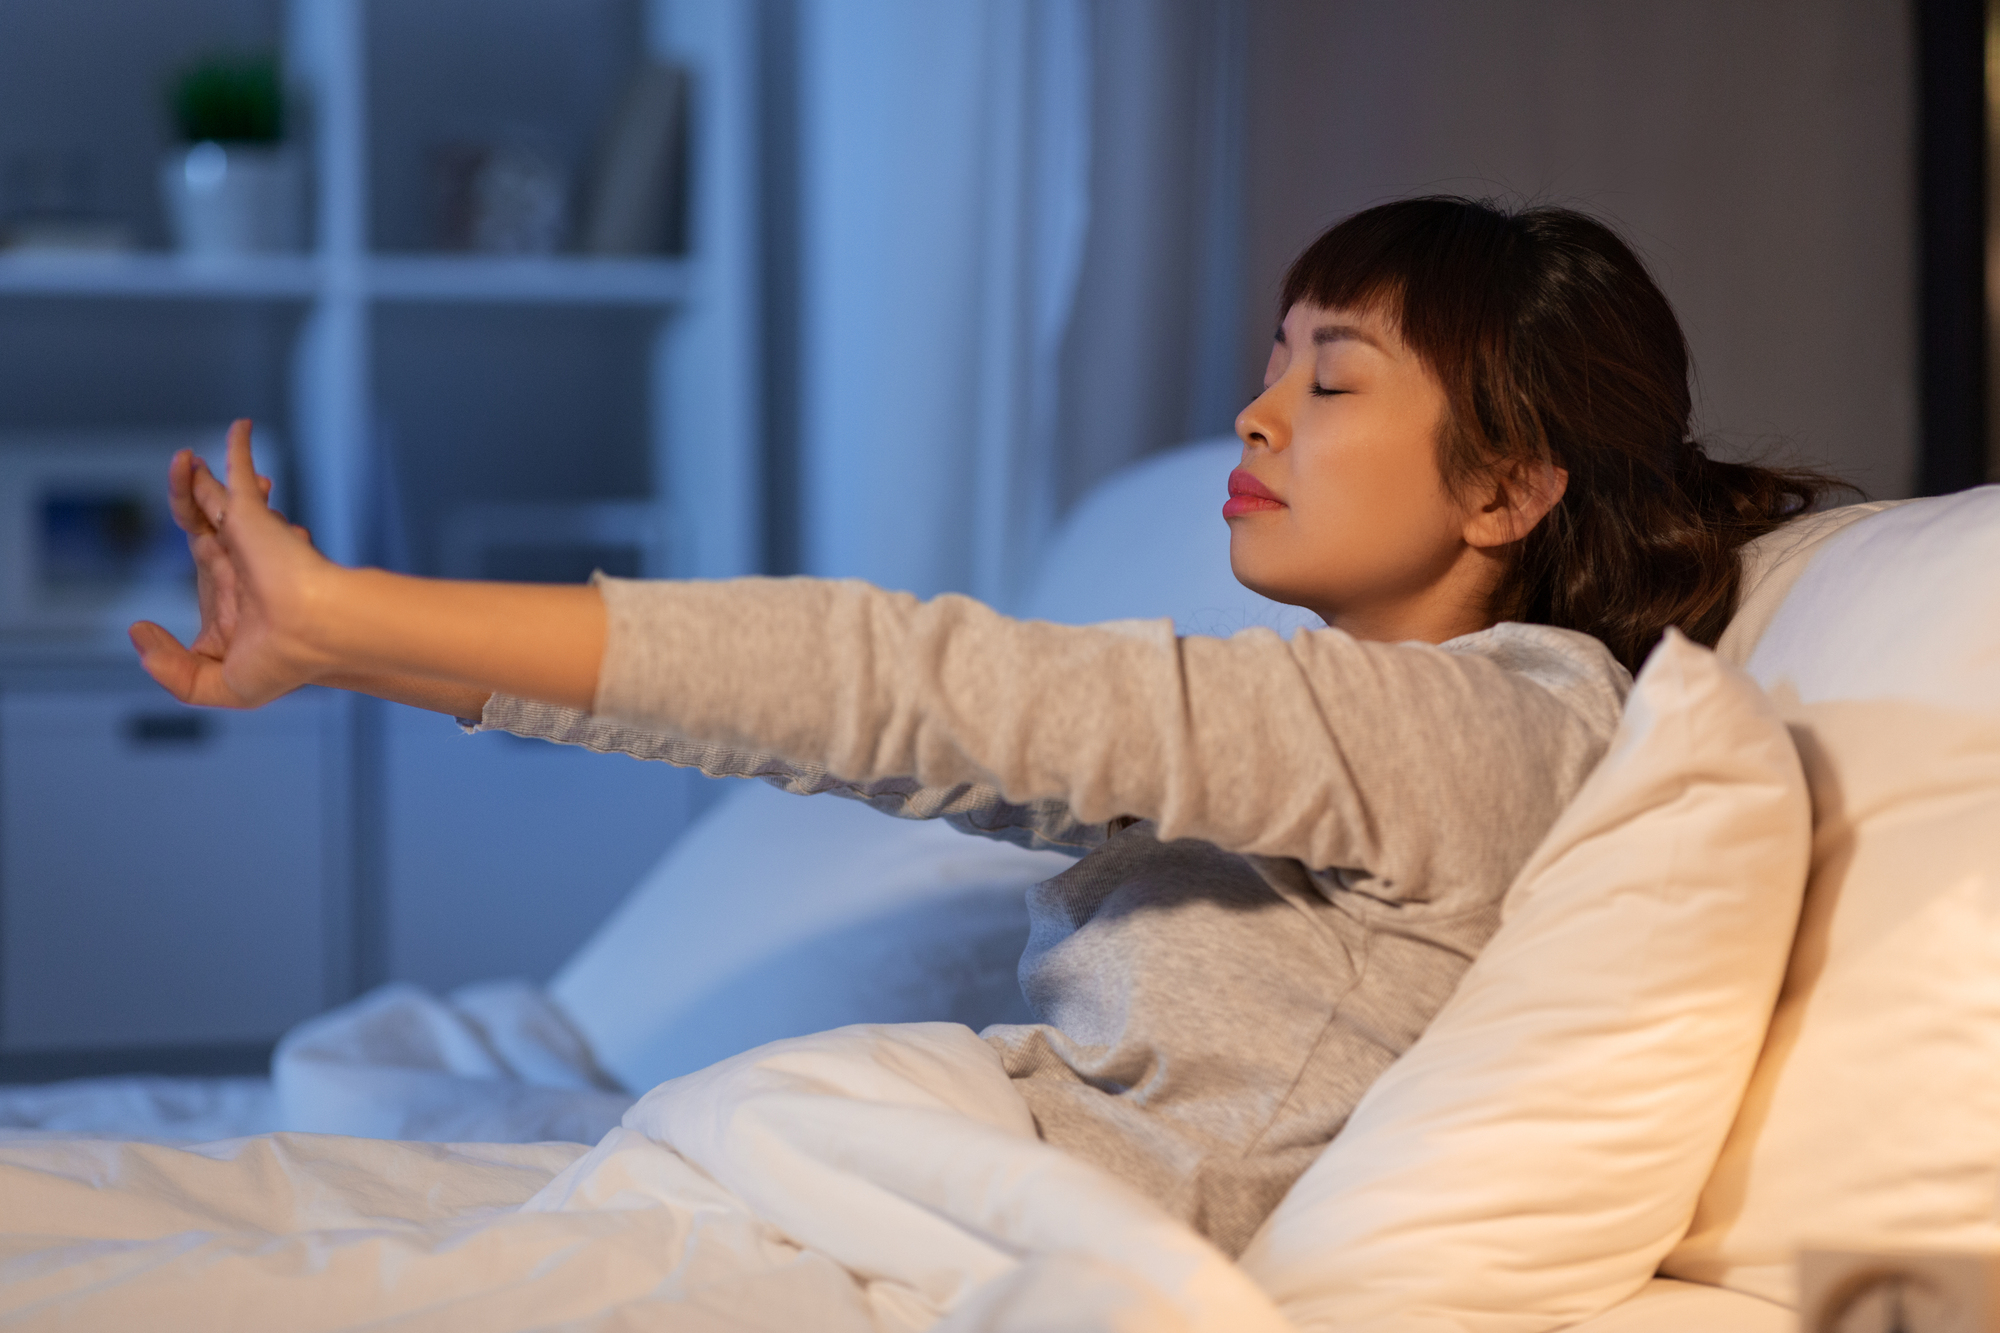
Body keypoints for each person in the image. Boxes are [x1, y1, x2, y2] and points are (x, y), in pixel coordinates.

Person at [129, 197, 1833, 1257]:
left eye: (1329, 378)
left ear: (1511, 485)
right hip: (944, 1197)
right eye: (1270, 362)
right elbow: (872, 737)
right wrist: (337, 649)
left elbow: (911, 682)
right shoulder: (1342, 736)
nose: (1255, 409)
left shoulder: (1483, 729)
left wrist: (350, 608)